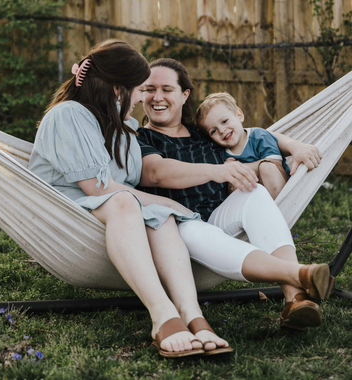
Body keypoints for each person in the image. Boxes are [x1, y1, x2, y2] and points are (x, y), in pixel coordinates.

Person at [28, 40, 233, 358]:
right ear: (116, 89)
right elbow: (99, 189)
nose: (143, 97)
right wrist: (170, 203)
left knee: (157, 214)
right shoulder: (70, 115)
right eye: (140, 89)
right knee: (135, 202)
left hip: (114, 212)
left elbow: (140, 179)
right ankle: (163, 316)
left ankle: (194, 317)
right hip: (66, 212)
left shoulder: (123, 128)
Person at [137, 57, 334, 331]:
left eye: (167, 89)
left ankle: (295, 298)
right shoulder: (140, 138)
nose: (157, 97)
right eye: (149, 89)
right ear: (140, 94)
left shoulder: (204, 132)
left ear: (184, 95)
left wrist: (296, 145)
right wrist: (216, 171)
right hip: (177, 226)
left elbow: (256, 135)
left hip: (220, 214)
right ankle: (301, 274)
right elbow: (156, 172)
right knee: (194, 230)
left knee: (254, 193)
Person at [196, 92, 290, 199]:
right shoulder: (220, 153)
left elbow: (275, 163)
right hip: (252, 201)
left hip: (278, 192)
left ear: (239, 116)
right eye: (213, 131)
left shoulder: (259, 136)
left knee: (266, 166)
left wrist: (235, 169)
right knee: (235, 183)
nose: (222, 130)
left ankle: (280, 210)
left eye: (224, 121)